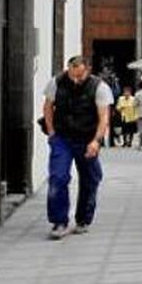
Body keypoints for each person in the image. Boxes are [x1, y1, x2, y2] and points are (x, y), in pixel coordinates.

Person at [42, 55, 113, 239]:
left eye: (79, 76)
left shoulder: (99, 87)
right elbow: (48, 107)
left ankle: (83, 219)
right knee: (58, 177)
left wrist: (96, 140)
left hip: (87, 138)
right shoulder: (56, 83)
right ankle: (59, 222)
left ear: (87, 70)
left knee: (91, 179)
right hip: (62, 137)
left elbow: (104, 116)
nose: (75, 79)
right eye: (72, 74)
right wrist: (51, 132)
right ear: (68, 69)